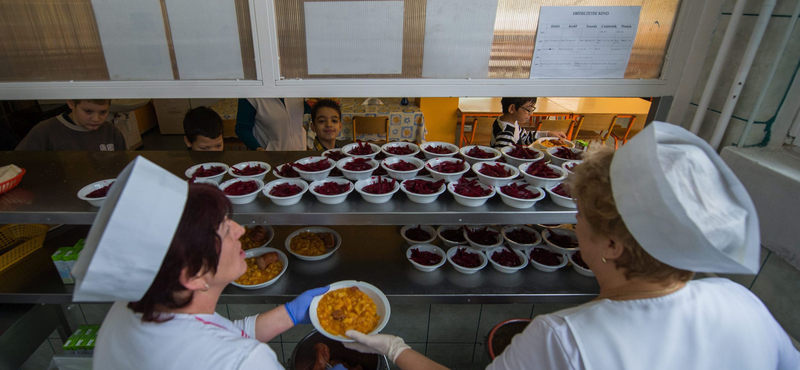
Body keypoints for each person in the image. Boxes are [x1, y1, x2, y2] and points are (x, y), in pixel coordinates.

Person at [344, 122, 800, 370]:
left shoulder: (564, 339)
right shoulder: (742, 303)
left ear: (614, 246)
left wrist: (394, 349)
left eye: (580, 217)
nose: (572, 224)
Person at [71, 158, 343, 370]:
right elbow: (229, 353)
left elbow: (217, 335)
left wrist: (290, 314)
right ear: (193, 275)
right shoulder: (247, 362)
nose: (239, 230)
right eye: (224, 230)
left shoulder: (128, 309)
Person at [15, 99, 126, 151]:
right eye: (88, 111)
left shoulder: (111, 131)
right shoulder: (45, 131)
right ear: (71, 103)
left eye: (103, 112)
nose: (96, 119)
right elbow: (18, 166)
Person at [489, 97, 566, 149]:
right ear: (512, 108)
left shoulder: (508, 122)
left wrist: (548, 134)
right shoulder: (506, 133)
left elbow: (525, 137)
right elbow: (504, 159)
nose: (531, 113)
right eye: (529, 109)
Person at [235, 98, 306, 151]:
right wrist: (256, 147)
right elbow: (242, 128)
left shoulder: (296, 89)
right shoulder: (251, 97)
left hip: (299, 150)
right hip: (271, 154)